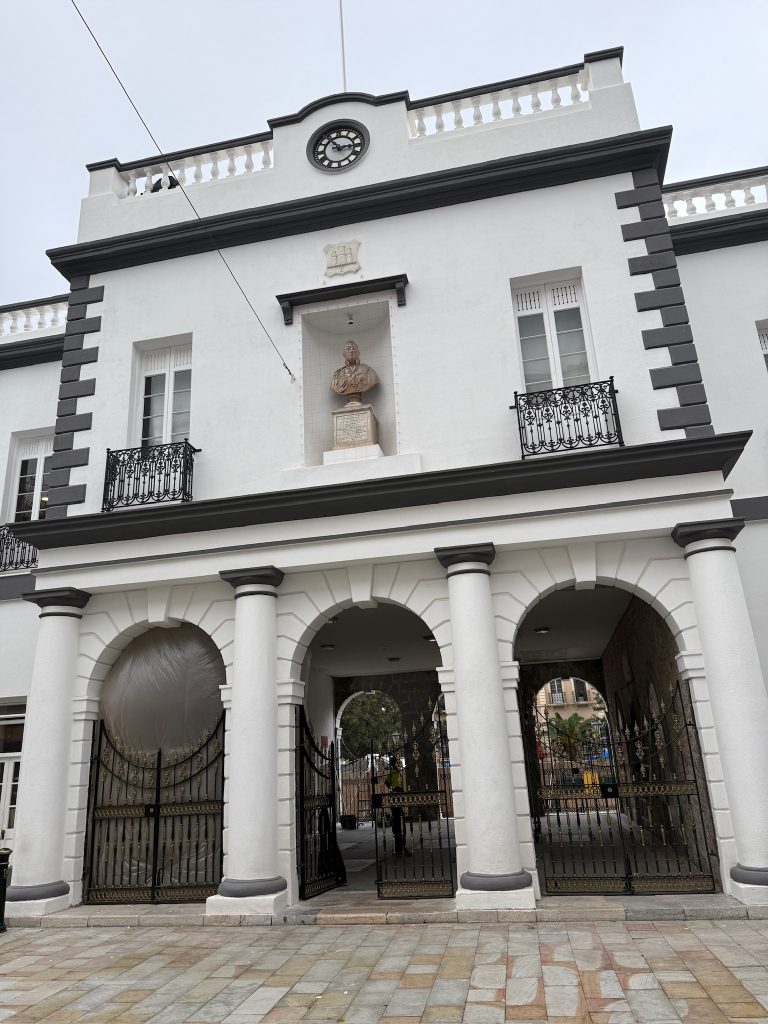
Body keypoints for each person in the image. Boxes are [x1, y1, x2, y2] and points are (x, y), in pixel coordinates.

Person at [386, 755, 411, 856]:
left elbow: (388, 783)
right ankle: (400, 847)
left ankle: (400, 847)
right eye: (398, 762)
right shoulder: (394, 772)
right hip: (395, 797)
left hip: (396, 797)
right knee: (400, 822)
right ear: (395, 763)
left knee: (399, 822)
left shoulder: (394, 772)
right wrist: (396, 789)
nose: (400, 764)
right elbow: (388, 783)